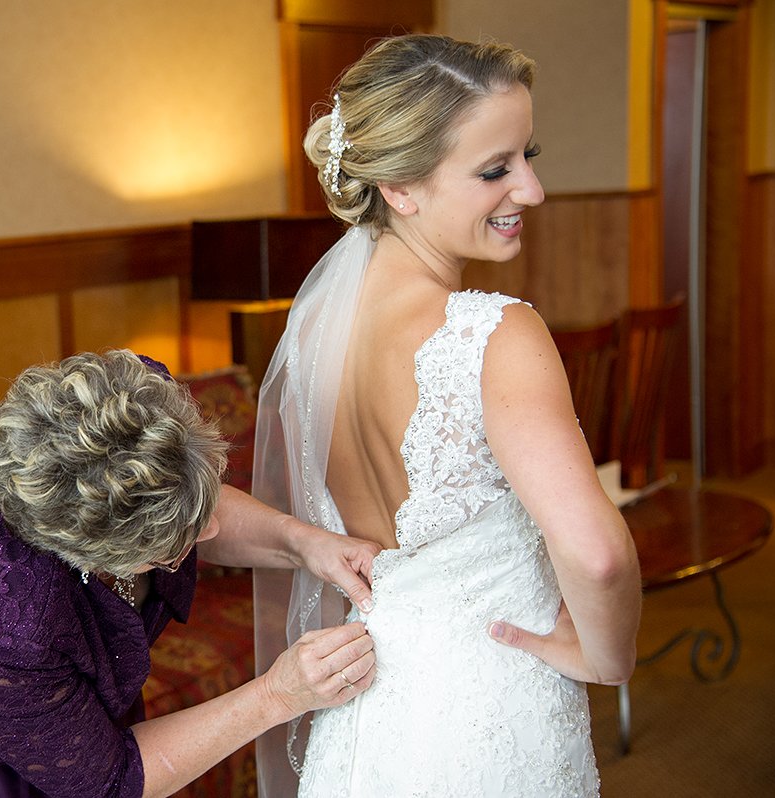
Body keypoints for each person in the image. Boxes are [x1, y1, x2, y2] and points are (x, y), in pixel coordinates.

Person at [251, 34, 642, 797]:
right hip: (490, 716)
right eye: (496, 169)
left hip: (366, 718)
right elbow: (598, 556)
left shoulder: (313, 340)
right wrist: (608, 658)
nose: (530, 191)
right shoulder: (494, 334)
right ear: (401, 187)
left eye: (530, 155)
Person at [0, 349, 380, 798]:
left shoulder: (115, 409)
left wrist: (303, 543)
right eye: (175, 544)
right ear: (88, 557)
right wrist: (279, 695)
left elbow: (168, 489)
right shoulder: (1, 625)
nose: (208, 535)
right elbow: (112, 781)